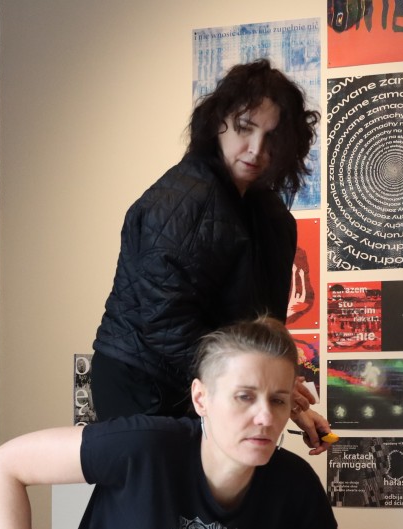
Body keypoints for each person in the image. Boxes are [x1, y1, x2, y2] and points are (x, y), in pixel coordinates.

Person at [0, 317, 346, 529]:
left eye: (278, 400)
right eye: (244, 397)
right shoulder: (144, 446)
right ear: (201, 398)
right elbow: (5, 465)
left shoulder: (294, 486)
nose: (265, 417)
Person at [89, 59, 332, 450]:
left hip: (202, 382)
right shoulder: (181, 203)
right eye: (244, 128)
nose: (256, 149)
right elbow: (167, 324)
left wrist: (285, 398)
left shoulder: (269, 214)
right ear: (216, 123)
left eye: (271, 137)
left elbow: (257, 330)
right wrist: (259, 387)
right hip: (146, 387)